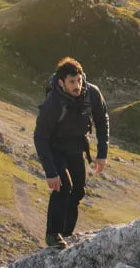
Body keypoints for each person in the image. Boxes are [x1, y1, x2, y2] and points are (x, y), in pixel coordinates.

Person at [32, 57, 109, 249]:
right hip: (55, 147)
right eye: (71, 82)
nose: (76, 86)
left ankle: (67, 232)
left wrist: (102, 153)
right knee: (62, 186)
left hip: (76, 146)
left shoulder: (92, 94)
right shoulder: (53, 104)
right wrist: (50, 172)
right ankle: (52, 234)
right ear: (61, 82)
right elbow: (40, 138)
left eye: (79, 80)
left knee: (78, 190)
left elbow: (102, 120)